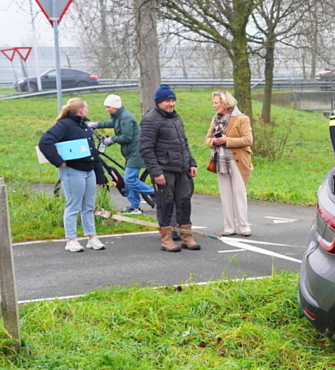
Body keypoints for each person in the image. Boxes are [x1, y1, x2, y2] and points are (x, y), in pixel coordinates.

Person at [38, 97, 108, 253]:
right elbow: (45, 142)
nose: (88, 111)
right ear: (81, 110)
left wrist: (99, 174)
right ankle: (71, 239)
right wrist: (59, 162)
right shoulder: (64, 125)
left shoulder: (85, 127)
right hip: (72, 171)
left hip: (89, 170)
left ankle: (92, 237)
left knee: (89, 206)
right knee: (73, 205)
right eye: (86, 108)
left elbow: (93, 153)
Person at [139, 84, 200, 252]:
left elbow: (183, 143)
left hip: (181, 170)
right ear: (159, 102)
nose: (171, 104)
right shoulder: (151, 120)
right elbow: (145, 149)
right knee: (165, 205)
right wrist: (156, 172)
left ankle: (186, 237)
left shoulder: (175, 118)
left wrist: (191, 163)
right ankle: (166, 240)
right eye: (167, 101)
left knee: (184, 203)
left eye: (173, 100)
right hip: (164, 171)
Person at [88, 94, 152, 213]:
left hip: (136, 152)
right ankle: (134, 206)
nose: (107, 110)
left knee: (129, 179)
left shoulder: (126, 117)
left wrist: (111, 140)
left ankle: (155, 193)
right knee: (130, 179)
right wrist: (96, 124)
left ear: (115, 106)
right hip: (130, 153)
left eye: (108, 107)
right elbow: (111, 123)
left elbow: (127, 137)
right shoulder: (119, 116)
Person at [204, 90, 254, 237]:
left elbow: (248, 140)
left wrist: (227, 140)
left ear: (225, 103)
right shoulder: (215, 119)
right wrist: (214, 141)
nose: (214, 106)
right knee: (225, 195)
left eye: (216, 102)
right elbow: (207, 139)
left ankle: (244, 226)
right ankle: (229, 227)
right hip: (220, 161)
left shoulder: (242, 119)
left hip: (238, 161)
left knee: (239, 194)